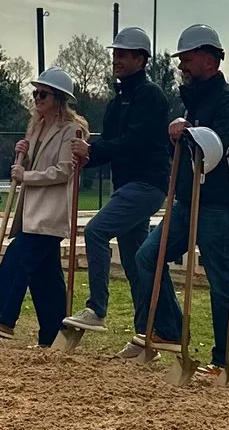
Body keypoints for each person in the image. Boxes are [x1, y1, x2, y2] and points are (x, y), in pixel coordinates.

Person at [131, 24, 229, 372]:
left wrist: (193, 133)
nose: (182, 65)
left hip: (216, 204)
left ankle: (227, 360)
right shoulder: (196, 101)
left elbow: (227, 145)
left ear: (209, 60)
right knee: (148, 257)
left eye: (187, 58)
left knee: (221, 282)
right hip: (187, 202)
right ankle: (169, 332)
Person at [61, 25, 172, 338]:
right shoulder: (116, 101)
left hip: (147, 184)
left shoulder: (150, 96)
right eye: (116, 54)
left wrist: (93, 150)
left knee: (96, 231)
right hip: (125, 185)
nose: (116, 60)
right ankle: (145, 332)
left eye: (123, 55)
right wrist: (87, 156)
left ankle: (96, 308)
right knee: (136, 262)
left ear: (141, 59)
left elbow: (135, 140)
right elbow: (109, 144)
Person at [0, 68, 87, 346]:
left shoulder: (71, 130)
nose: (37, 98)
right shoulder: (35, 126)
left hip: (50, 211)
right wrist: (22, 155)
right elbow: (31, 164)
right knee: (44, 276)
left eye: (43, 94)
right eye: (35, 93)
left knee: (18, 256)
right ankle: (55, 334)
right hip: (31, 211)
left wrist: (27, 176)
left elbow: (63, 171)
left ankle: (1, 317)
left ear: (58, 98)